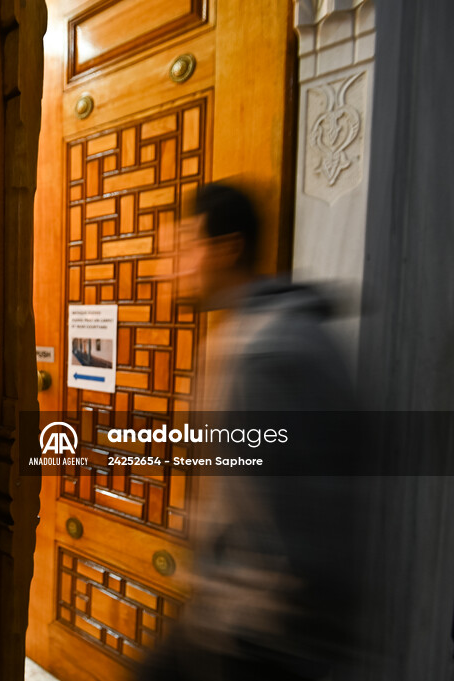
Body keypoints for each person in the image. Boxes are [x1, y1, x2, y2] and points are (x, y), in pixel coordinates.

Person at [140, 182, 363, 681]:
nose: (167, 269)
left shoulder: (259, 353)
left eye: (182, 249)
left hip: (255, 632)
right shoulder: (295, 329)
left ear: (227, 249)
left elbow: (277, 515)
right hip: (263, 623)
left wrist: (234, 615)